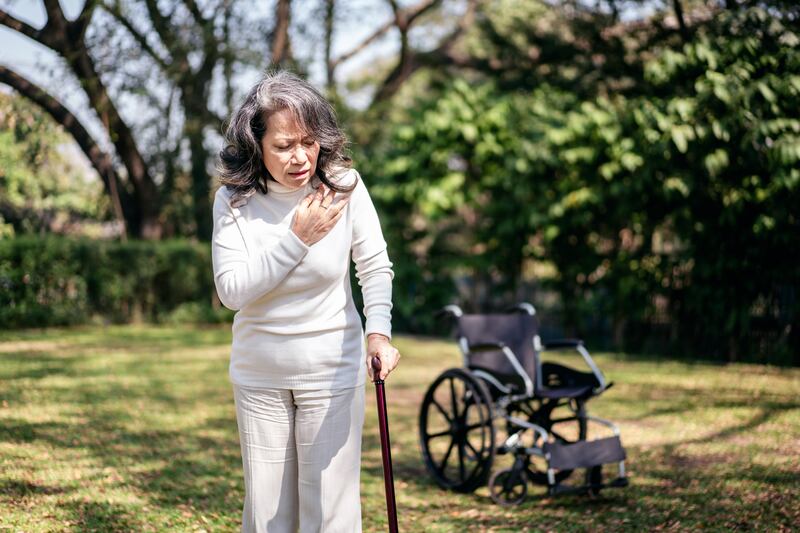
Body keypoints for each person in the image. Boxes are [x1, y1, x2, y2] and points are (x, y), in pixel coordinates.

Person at [212, 70, 400, 533]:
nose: (300, 157)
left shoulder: (344, 187)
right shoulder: (234, 201)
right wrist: (297, 238)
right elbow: (231, 291)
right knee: (268, 515)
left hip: (332, 369)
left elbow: (373, 265)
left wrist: (378, 333)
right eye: (283, 145)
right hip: (261, 376)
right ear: (257, 145)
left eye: (309, 141)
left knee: (330, 515)